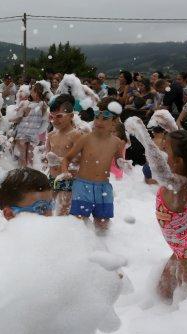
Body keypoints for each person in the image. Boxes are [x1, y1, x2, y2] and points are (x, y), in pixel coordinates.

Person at [125, 115, 187, 300]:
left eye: (166, 151)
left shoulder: (178, 183)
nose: (162, 152)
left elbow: (157, 166)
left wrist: (142, 134)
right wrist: (171, 127)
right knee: (162, 293)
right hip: (183, 248)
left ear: (178, 161)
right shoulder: (181, 174)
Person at [60, 98, 125, 233]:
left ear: (114, 122)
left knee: (103, 225)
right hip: (83, 186)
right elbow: (67, 158)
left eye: (105, 118)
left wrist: (123, 164)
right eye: (97, 117)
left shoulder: (117, 142)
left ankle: (101, 251)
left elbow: (119, 163)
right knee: (79, 223)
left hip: (104, 188)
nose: (99, 122)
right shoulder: (86, 139)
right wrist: (65, 172)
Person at [45, 94, 83, 215]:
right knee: (47, 209)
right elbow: (47, 155)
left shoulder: (76, 135)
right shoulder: (51, 135)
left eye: (59, 116)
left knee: (63, 210)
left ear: (71, 116)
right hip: (52, 177)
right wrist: (47, 158)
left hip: (68, 179)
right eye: (52, 117)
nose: (55, 120)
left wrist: (61, 160)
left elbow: (81, 159)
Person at [13, 82, 49, 167]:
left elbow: (19, 117)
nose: (30, 93)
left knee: (23, 156)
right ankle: (28, 174)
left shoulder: (29, 104)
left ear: (37, 92)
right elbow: (45, 121)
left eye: (32, 91)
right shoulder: (43, 105)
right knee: (29, 157)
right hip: (32, 133)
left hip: (23, 132)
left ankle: (23, 174)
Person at [142, 110, 178, 185]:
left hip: (147, 168)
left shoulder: (149, 141)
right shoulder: (166, 142)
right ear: (164, 131)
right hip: (160, 169)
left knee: (148, 183)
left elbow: (147, 157)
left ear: (153, 131)